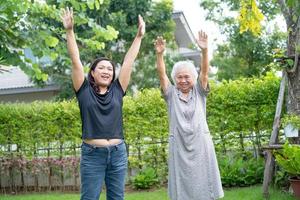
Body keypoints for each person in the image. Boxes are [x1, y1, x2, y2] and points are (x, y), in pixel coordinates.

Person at [61, 7, 145, 200]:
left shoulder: (118, 89)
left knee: (117, 198)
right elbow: (75, 61)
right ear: (93, 72)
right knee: (89, 197)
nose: (107, 71)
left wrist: (139, 37)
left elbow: (128, 62)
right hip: (92, 154)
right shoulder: (83, 91)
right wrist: (69, 31)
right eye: (102, 68)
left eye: (110, 68)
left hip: (118, 153)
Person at [154, 31, 224, 200]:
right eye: (179, 77)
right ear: (174, 79)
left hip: (201, 144)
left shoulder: (199, 92)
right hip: (179, 145)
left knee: (205, 185)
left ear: (193, 78)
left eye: (187, 77)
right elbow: (162, 75)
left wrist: (205, 51)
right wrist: (160, 55)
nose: (183, 80)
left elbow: (205, 73)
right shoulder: (170, 94)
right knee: (182, 187)